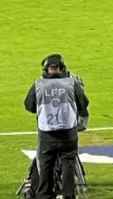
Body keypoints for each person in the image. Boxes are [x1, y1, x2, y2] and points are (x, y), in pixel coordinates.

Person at [24, 54, 89, 199]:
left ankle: (44, 195)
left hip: (47, 134)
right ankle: (67, 195)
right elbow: (83, 104)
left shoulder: (39, 84)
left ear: (46, 70)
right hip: (68, 133)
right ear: (62, 68)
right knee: (68, 165)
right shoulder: (71, 83)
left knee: (46, 165)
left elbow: (29, 106)